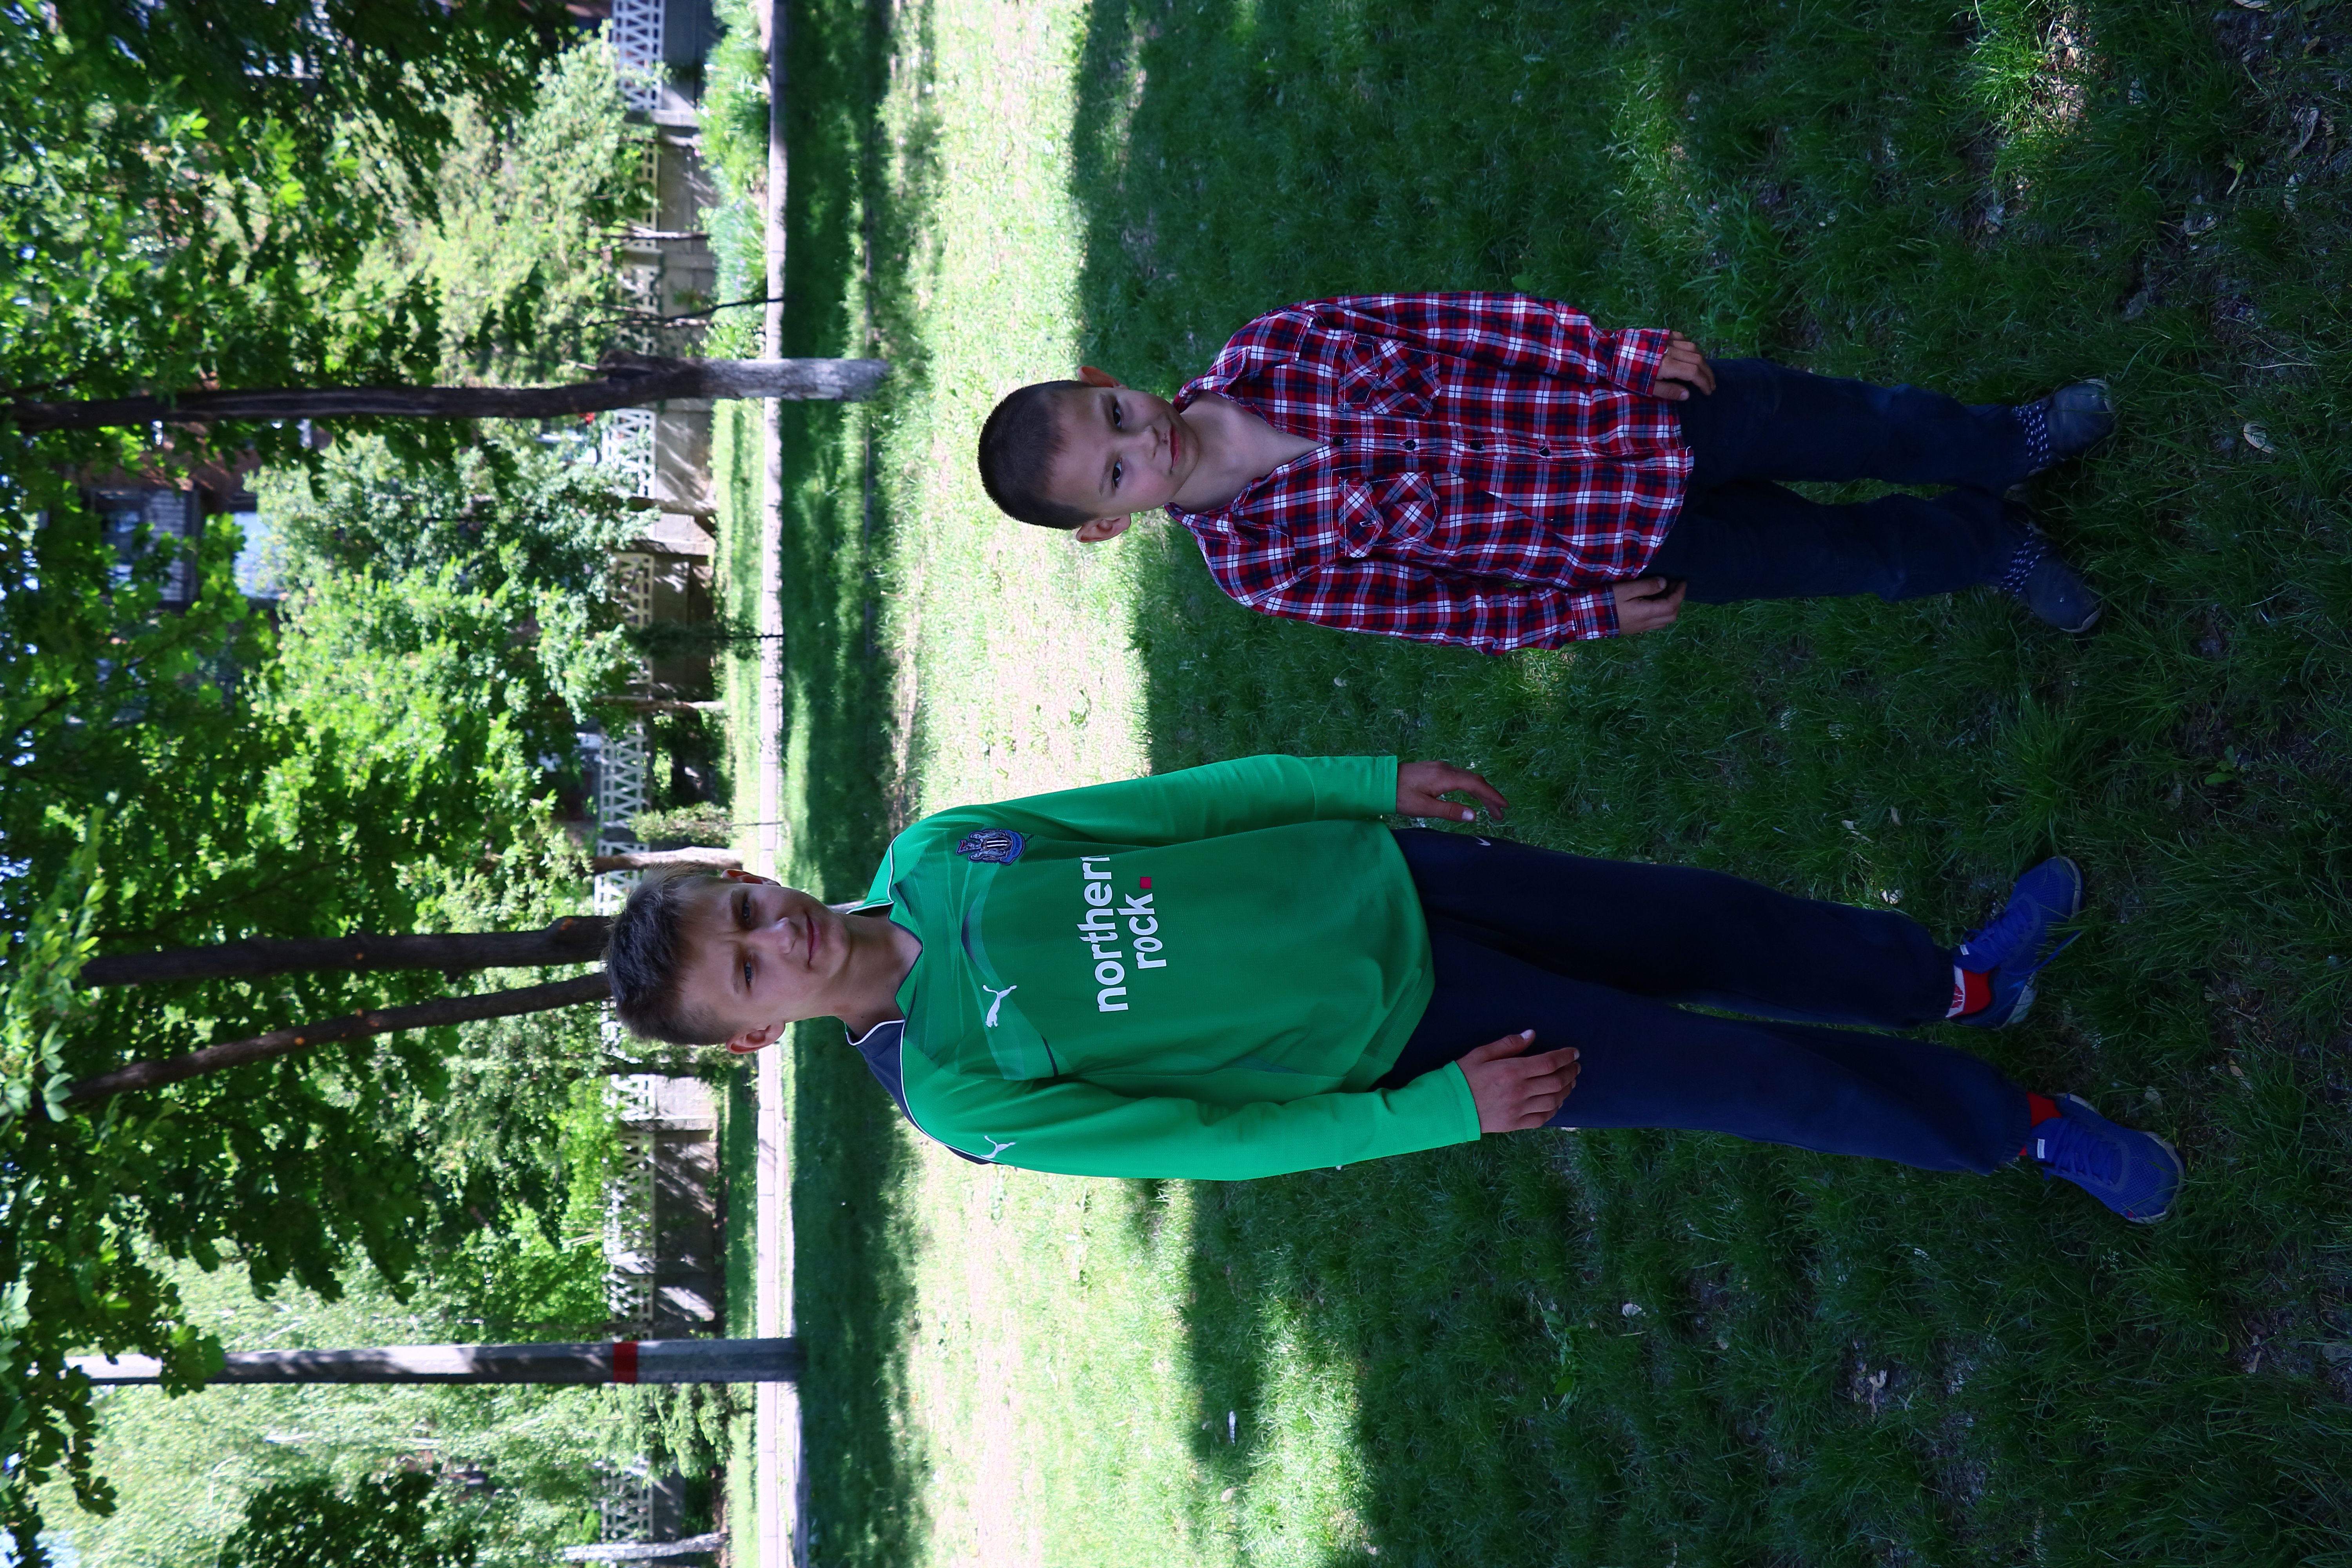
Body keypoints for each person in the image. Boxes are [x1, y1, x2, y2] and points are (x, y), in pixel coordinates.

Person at [604, 753, 2180, 1222]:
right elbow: (1217, 1143)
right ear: (754, 1037)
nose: (776, 934)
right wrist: (1437, 1110)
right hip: (1422, 1037)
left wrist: (1359, 782)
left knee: (1703, 923)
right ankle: (2023, 1126)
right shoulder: (963, 1097)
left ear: (745, 868)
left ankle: (1958, 979)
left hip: (1401, 881)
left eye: (744, 906)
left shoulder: (942, 851)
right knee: (1744, 1080)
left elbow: (1173, 809)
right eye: (746, 971)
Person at [974, 293, 2115, 646]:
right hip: (1620, 544)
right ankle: (1990, 548)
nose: (1144, 444)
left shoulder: (1277, 345)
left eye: (1116, 414)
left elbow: (1466, 323)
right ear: (1106, 529)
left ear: (1107, 377)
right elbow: (1441, 611)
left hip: (1647, 412)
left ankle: (2004, 444)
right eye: (1115, 477)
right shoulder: (1261, 568)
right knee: (1841, 558)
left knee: (1861, 425)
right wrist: (1583, 617)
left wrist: (1612, 354)